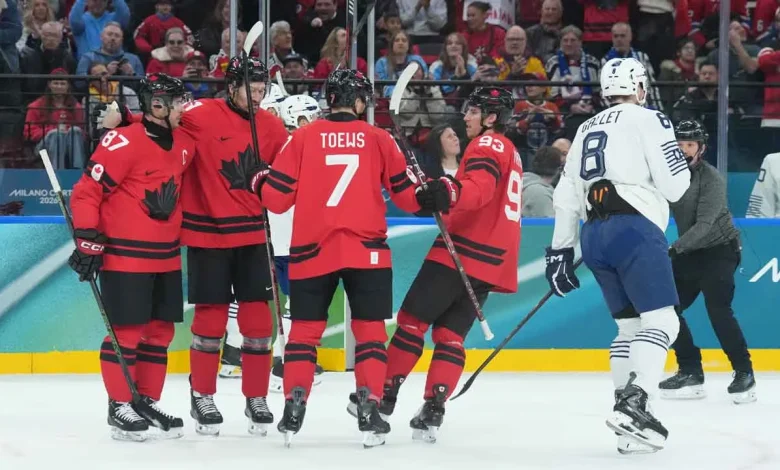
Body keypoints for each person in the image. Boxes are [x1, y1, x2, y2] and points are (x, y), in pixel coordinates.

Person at [255, 69, 443, 448]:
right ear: (359, 102)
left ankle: (294, 401)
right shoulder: (378, 138)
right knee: (370, 332)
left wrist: (258, 180)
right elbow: (409, 199)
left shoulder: (303, 137)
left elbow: (275, 199)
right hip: (367, 252)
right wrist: (433, 194)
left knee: (304, 335)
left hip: (311, 252)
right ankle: (370, 408)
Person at [347, 87, 523, 444]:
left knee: (412, 323)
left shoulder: (489, 145)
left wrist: (450, 192)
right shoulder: (512, 152)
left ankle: (382, 397)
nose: (467, 118)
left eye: (473, 111)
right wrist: (445, 190)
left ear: (491, 118)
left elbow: (478, 188)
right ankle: (433, 408)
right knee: (450, 336)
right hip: (491, 261)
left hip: (462, 251)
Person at [545, 58, 691, 454]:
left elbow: (565, 198)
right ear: (640, 86)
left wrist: (559, 252)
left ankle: (628, 422)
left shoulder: (583, 129)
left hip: (594, 235)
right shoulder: (649, 118)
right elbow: (676, 186)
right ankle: (636, 404)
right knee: (663, 322)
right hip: (634, 227)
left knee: (628, 329)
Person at [69, 73, 196, 441]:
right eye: (176, 101)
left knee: (161, 332)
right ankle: (119, 404)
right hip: (127, 255)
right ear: (158, 105)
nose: (183, 107)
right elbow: (87, 192)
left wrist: (131, 114)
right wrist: (88, 239)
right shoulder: (121, 141)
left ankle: (145, 400)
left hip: (167, 255)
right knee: (126, 332)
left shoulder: (185, 142)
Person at [178, 55, 289, 437]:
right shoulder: (199, 114)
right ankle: (202, 395)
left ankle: (256, 397)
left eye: (262, 90)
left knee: (258, 324)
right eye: (251, 89)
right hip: (207, 233)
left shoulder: (272, 127)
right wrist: (125, 121)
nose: (258, 96)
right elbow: (161, 121)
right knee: (210, 321)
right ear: (230, 87)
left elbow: (287, 177)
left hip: (254, 237)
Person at [659, 120, 756, 404]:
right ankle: (690, 370)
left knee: (718, 310)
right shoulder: (667, 176)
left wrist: (672, 248)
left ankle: (744, 373)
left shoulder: (711, 178)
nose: (683, 150)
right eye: (678, 145)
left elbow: (704, 224)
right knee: (666, 309)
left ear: (700, 148)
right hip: (689, 253)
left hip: (719, 251)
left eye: (689, 145)